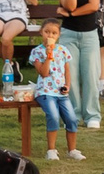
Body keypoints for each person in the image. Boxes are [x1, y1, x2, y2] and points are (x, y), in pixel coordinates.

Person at [56, 0, 104, 131]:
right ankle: (73, 114)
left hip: (89, 35)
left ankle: (92, 115)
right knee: (71, 77)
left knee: (91, 74)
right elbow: (70, 4)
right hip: (69, 35)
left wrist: (70, 14)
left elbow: (93, 6)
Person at [31, 17, 80, 161]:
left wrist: (67, 86)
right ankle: (51, 150)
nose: (50, 36)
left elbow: (67, 71)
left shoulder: (63, 50)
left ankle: (72, 150)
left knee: (71, 118)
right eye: (47, 32)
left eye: (54, 33)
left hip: (60, 92)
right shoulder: (37, 52)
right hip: (45, 91)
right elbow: (43, 73)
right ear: (41, 32)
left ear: (59, 35)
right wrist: (49, 55)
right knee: (53, 116)